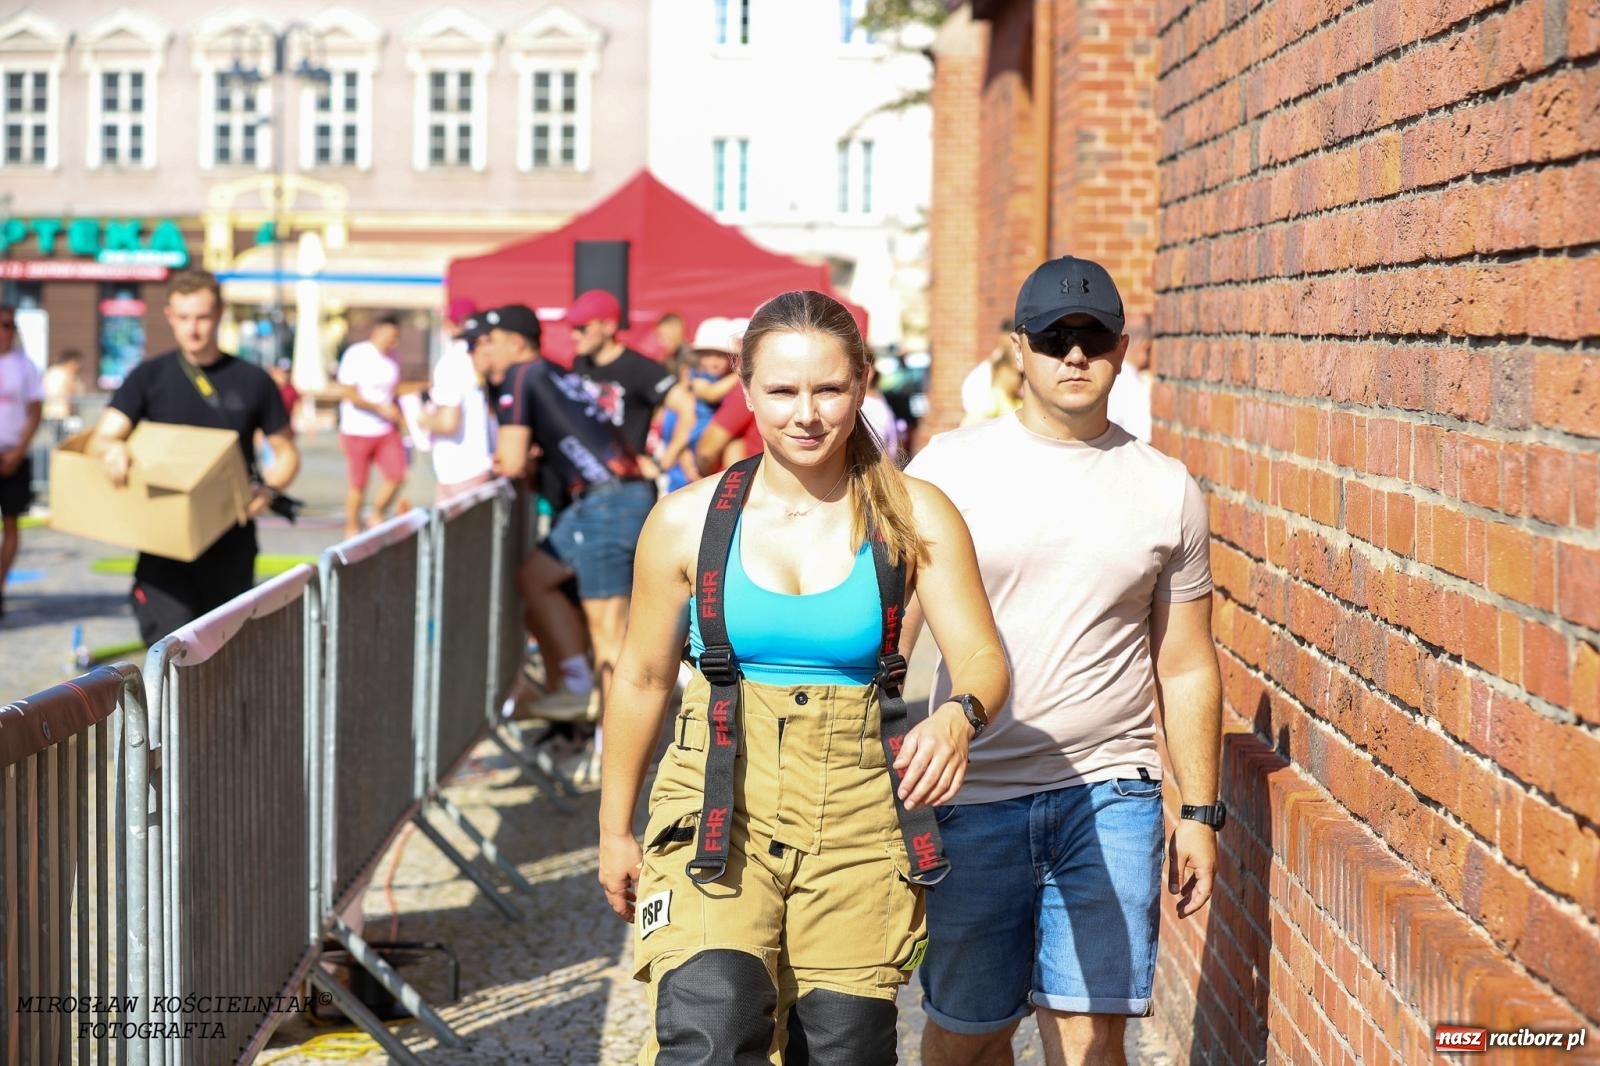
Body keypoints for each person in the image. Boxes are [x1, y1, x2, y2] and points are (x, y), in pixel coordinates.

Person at [598, 289, 1010, 1065]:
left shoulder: (916, 514)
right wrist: (613, 830)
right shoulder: (686, 521)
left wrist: (960, 714)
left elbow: (984, 657)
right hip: (718, 795)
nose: (806, 414)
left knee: (846, 1048)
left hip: (858, 806)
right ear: (746, 390)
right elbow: (643, 679)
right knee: (711, 1030)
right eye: (783, 391)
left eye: (828, 389)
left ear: (862, 384)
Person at [903, 256, 1222, 1066]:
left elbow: (1184, 662)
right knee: (966, 1040)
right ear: (1019, 347)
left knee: (1088, 1042)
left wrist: (1199, 813)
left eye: (1092, 336)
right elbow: (891, 626)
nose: (1073, 354)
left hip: (1108, 791)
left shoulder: (1167, 488)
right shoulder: (948, 468)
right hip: (973, 796)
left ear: (1121, 347)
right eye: (1052, 337)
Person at [88, 271, 299, 645]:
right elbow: (104, 435)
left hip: (228, 539)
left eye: (202, 317)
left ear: (220, 314)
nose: (193, 329)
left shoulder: (253, 380)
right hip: (162, 540)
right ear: (169, 316)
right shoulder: (148, 376)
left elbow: (286, 454)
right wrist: (112, 448)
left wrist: (268, 489)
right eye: (183, 318)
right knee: (170, 654)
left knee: (224, 655)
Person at [563, 289, 676, 708]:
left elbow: (682, 405)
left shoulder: (641, 368)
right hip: (589, 498)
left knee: (616, 626)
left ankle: (611, 733)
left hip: (623, 499)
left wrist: (661, 458)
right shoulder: (579, 365)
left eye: (582, 327)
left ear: (608, 327)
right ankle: (592, 708)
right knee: (566, 597)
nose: (574, 335)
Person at [336, 315, 407, 537]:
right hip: (357, 429)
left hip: (385, 428)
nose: (393, 341)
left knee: (397, 475)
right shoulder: (357, 354)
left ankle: (376, 513)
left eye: (396, 337)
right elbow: (347, 392)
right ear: (377, 332)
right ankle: (351, 526)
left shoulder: (393, 357)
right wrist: (378, 408)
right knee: (358, 484)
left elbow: (392, 392)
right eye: (390, 336)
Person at [420, 302, 494, 502]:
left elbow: (448, 424)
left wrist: (420, 417)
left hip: (458, 469)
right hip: (479, 464)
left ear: (449, 324)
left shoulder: (452, 363)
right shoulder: (481, 359)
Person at [657, 316, 740, 492]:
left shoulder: (727, 381)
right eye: (708, 355)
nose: (714, 361)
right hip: (698, 435)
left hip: (713, 436)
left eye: (720, 355)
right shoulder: (698, 379)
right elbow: (712, 394)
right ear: (699, 356)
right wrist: (739, 374)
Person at [0, 305, 42, 619]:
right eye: (2, 325)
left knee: (11, 523)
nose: (6, 331)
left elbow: (35, 411)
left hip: (14, 453)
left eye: (10, 325)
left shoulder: (25, 366)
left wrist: (18, 450)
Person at [41, 348, 82, 433]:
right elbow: (69, 394)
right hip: (63, 415)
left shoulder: (50, 372)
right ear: (72, 362)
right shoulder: (68, 374)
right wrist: (72, 413)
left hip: (48, 413)